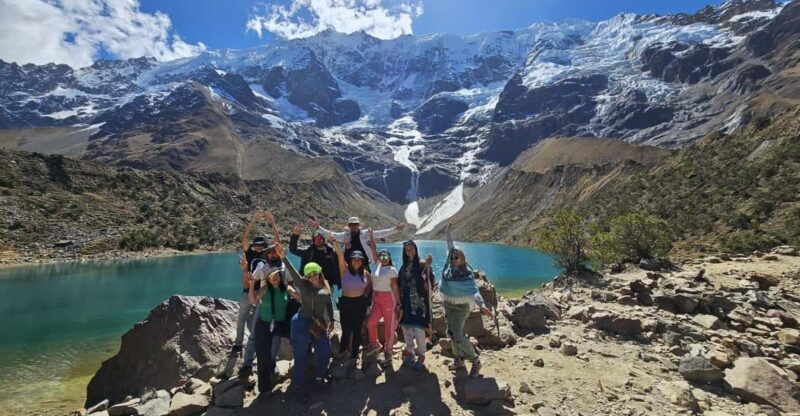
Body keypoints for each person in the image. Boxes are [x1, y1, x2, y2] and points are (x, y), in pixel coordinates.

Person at [279, 243, 334, 404]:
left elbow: (329, 302)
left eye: (315, 273)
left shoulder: (325, 285)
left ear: (319, 272)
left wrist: (332, 319)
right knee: (301, 354)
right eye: (309, 275)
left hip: (319, 323)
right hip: (301, 323)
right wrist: (284, 257)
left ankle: (319, 378)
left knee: (325, 350)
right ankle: (298, 386)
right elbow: (294, 274)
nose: (313, 277)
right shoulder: (304, 286)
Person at [439, 223, 493, 378]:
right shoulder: (449, 268)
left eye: (457, 257)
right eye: (453, 257)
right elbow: (450, 245)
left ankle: (475, 361)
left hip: (461, 307)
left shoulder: (466, 273)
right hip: (449, 305)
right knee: (451, 333)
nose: (454, 259)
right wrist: (448, 232)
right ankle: (459, 359)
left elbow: (473, 291)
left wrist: (482, 305)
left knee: (457, 334)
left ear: (463, 258)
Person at [235, 211, 283, 379]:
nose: (260, 248)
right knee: (254, 331)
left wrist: (272, 223)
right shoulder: (261, 267)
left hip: (277, 303)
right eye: (259, 246)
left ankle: (271, 363)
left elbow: (278, 243)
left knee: (275, 335)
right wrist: (253, 220)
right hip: (260, 298)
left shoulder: (280, 263)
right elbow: (245, 240)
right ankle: (247, 362)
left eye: (263, 246)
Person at [246, 263, 297, 395]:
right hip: (264, 325)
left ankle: (274, 376)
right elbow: (252, 300)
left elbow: (298, 296)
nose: (275, 278)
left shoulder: (286, 288)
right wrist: (251, 285)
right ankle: (264, 388)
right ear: (268, 278)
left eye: (277, 275)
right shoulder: (264, 289)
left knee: (273, 352)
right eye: (271, 276)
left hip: (279, 325)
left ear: (280, 277)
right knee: (263, 355)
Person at [330, 231, 371, 366]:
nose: (356, 262)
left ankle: (354, 354)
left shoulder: (365, 273)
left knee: (358, 329)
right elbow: (340, 256)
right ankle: (342, 349)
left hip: (360, 303)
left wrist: (366, 293)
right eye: (354, 260)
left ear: (362, 261)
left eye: (359, 260)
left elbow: (370, 285)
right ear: (351, 261)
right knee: (346, 329)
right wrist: (335, 243)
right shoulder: (345, 270)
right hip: (346, 303)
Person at [310, 216, 405, 267]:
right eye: (351, 225)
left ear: (359, 225)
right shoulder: (344, 235)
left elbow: (381, 233)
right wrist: (318, 228)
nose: (353, 226)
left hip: (364, 265)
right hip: (349, 266)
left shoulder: (365, 234)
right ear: (349, 226)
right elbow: (331, 234)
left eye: (355, 224)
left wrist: (395, 229)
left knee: (367, 287)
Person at [397, 240, 434, 371]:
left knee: (419, 329)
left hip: (419, 302)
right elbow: (399, 284)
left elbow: (429, 280)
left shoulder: (422, 264)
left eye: (411, 249)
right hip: (406, 302)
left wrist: (428, 266)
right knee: (406, 328)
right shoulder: (404, 266)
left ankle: (422, 355)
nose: (409, 251)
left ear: (415, 249)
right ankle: (410, 351)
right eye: (407, 250)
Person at [365, 229, 400, 363]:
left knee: (389, 327)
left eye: (386, 257)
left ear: (389, 258)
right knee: (371, 323)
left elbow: (395, 287)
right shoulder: (377, 265)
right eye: (382, 256)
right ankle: (375, 344)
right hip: (376, 299)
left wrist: (398, 303)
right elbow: (374, 249)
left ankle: (388, 351)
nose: (383, 258)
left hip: (388, 300)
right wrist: (371, 237)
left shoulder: (392, 270)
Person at [289, 225, 341, 290]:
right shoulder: (309, 251)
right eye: (316, 239)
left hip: (327, 285)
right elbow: (293, 250)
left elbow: (342, 261)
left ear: (324, 240)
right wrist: (295, 236)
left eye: (320, 238)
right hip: (310, 284)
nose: (318, 240)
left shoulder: (331, 252)